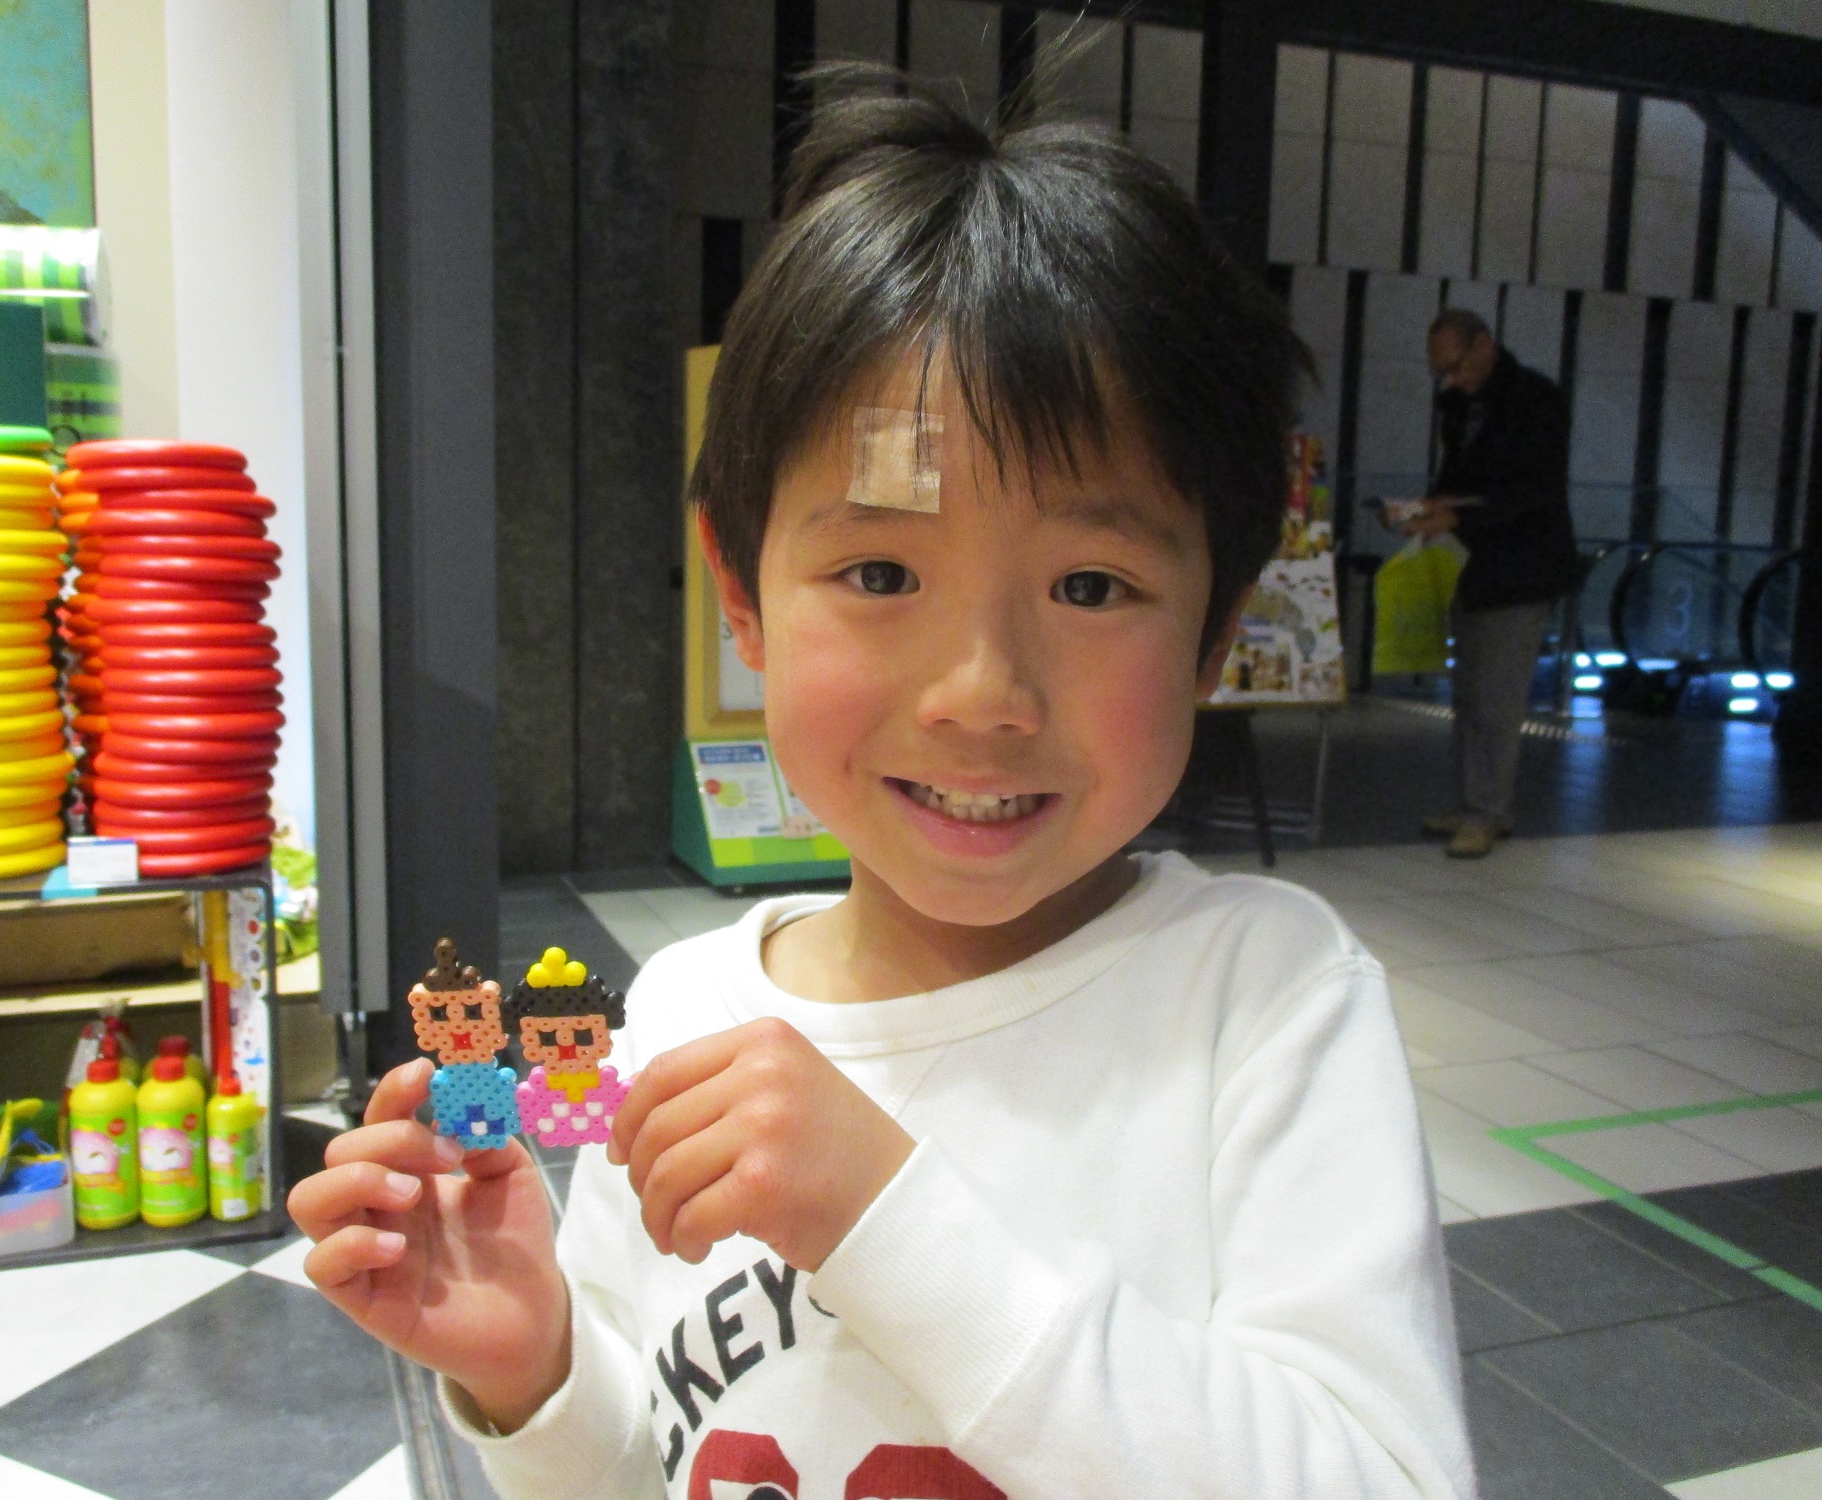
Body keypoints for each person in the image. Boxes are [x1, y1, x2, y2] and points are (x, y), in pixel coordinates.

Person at [290, 70, 1476, 1500]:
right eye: (878, 572)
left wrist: (888, 1216)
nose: (980, 691)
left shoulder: (1263, 1004)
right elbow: (644, 1464)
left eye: (1090, 586)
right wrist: (537, 1372)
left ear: (1217, 629)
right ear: (743, 597)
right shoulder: (682, 1017)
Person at [1407, 308, 1580, 858]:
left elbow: (1531, 490)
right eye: (1443, 372)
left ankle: (1487, 811)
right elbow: (1462, 476)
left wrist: (1457, 514)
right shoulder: (1461, 406)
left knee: (1497, 700)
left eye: (1458, 366)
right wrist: (1433, 506)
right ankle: (1473, 804)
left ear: (1485, 344)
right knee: (1468, 694)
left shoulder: (1535, 400)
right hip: (1472, 564)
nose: (1453, 379)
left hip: (1521, 568)